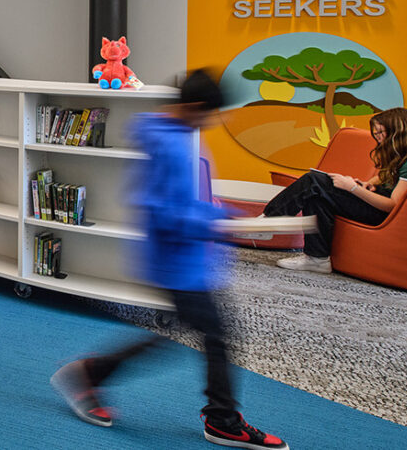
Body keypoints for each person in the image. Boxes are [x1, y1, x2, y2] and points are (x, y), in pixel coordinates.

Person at [49, 69, 286, 448]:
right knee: (216, 334)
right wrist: (218, 220)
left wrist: (219, 214)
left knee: (191, 331)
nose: (211, 123)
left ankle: (92, 374)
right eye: (209, 114)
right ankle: (221, 419)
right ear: (193, 107)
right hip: (175, 260)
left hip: (189, 258)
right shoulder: (171, 146)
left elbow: (189, 198)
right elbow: (160, 208)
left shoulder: (179, 136)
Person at [263, 106, 407, 273]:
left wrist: (352, 188)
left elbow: (392, 205)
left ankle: (268, 221)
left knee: (314, 180)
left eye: (381, 133)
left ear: (399, 132)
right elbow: (390, 178)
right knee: (317, 195)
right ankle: (317, 259)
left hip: (384, 215)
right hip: (378, 206)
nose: (378, 138)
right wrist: (371, 182)